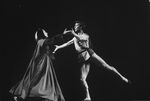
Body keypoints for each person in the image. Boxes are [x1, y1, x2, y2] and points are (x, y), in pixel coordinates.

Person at [53, 21, 130, 101]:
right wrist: (58, 47)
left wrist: (71, 33)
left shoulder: (85, 35)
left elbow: (81, 38)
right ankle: (88, 97)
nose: (75, 27)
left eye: (76, 26)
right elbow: (68, 43)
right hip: (82, 57)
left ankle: (122, 77)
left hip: (89, 53)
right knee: (82, 79)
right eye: (75, 26)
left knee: (107, 67)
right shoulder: (75, 37)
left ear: (81, 27)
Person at [9, 29, 65, 101]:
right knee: (36, 80)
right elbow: (52, 40)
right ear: (41, 34)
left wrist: (52, 52)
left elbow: (48, 51)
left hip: (46, 64)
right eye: (45, 32)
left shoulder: (42, 42)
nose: (47, 32)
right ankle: (20, 94)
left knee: (46, 80)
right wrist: (62, 34)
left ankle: (48, 96)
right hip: (41, 64)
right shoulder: (41, 41)